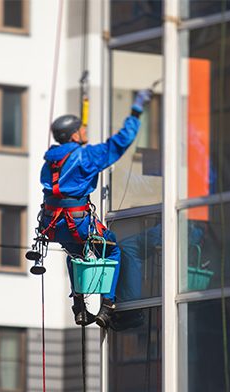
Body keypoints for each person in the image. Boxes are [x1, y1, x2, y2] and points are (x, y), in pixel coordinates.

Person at [39, 88, 152, 328]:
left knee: (76, 256)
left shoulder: (50, 161)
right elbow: (119, 143)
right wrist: (136, 111)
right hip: (78, 222)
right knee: (111, 250)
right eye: (82, 129)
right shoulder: (84, 157)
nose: (85, 131)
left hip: (56, 225)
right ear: (72, 135)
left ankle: (79, 305)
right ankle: (107, 306)